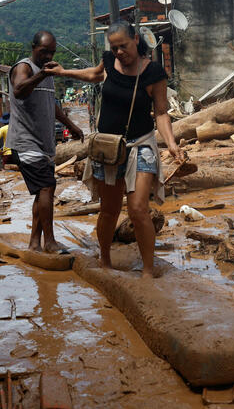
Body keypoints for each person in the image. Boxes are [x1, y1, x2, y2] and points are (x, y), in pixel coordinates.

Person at [47, 21, 184, 278]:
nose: (119, 52)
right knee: (109, 210)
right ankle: (105, 261)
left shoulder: (153, 73)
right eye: (114, 47)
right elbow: (94, 75)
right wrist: (65, 72)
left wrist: (172, 144)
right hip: (108, 147)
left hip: (140, 145)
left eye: (123, 45)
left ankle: (147, 269)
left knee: (138, 209)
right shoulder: (109, 62)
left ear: (135, 39)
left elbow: (162, 113)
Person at [6, 30, 84, 252]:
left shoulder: (46, 73)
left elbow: (52, 104)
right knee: (48, 187)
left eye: (52, 53)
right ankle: (49, 242)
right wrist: (43, 74)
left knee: (42, 193)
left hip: (44, 144)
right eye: (44, 52)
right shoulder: (24, 68)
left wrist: (71, 125)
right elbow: (20, 90)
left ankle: (34, 243)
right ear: (33, 48)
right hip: (26, 142)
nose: (48, 57)